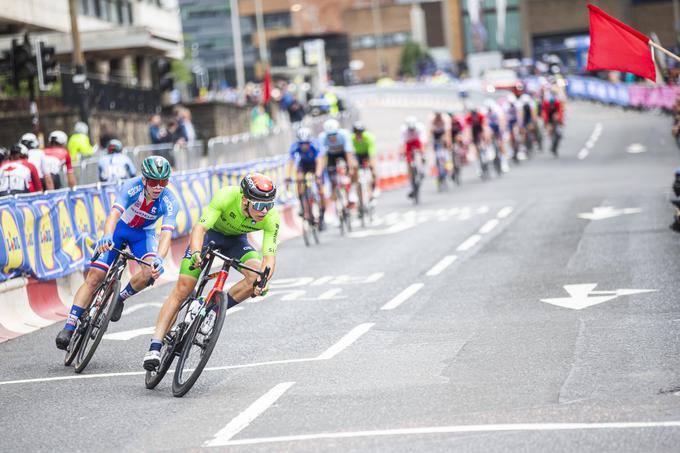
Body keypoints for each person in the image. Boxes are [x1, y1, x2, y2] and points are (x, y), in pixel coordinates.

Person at [143, 173, 279, 370]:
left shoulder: (271, 218)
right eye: (259, 205)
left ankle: (212, 312)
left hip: (237, 241)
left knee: (256, 277)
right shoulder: (226, 196)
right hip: (210, 236)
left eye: (269, 205)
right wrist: (197, 252)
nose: (264, 211)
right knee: (184, 287)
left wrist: (263, 281)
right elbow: (199, 229)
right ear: (244, 200)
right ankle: (155, 346)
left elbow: (269, 257)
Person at [55, 156, 177, 350]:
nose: (158, 187)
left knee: (149, 273)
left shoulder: (169, 200)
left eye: (163, 182)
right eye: (154, 182)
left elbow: (166, 234)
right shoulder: (132, 187)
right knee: (96, 277)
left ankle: (119, 298)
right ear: (145, 180)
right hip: (120, 229)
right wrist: (107, 236)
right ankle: (69, 325)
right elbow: (114, 214)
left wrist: (159, 259)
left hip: (143, 236)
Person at [286, 127, 326, 230]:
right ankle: (303, 206)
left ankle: (322, 213)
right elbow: (291, 162)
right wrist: (288, 176)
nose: (304, 146)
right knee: (299, 180)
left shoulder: (315, 145)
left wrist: (318, 174)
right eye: (301, 144)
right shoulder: (294, 146)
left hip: (315, 165)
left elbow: (319, 161)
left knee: (321, 189)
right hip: (303, 165)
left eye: (306, 143)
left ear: (309, 141)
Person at [319, 118, 357, 208]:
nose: (332, 137)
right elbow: (323, 157)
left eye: (334, 135)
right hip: (331, 155)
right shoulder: (322, 137)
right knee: (332, 179)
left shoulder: (344, 134)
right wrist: (322, 172)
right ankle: (335, 206)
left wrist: (350, 168)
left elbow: (349, 154)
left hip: (343, 153)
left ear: (338, 131)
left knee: (354, 167)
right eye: (329, 135)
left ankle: (352, 192)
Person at [400, 116, 427, 199]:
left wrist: (423, 154)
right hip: (408, 142)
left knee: (422, 154)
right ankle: (411, 177)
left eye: (413, 129)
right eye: (410, 129)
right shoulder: (403, 130)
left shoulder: (420, 128)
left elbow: (422, 143)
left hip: (417, 141)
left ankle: (422, 169)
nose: (411, 130)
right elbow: (402, 144)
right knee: (408, 160)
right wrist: (402, 153)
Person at [351, 121, 378, 203]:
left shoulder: (369, 137)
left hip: (367, 154)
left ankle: (374, 189)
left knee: (373, 168)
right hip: (357, 155)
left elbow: (372, 153)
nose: (359, 135)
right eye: (357, 133)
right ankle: (354, 189)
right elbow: (350, 154)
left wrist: (371, 163)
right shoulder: (351, 139)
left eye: (360, 133)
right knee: (354, 168)